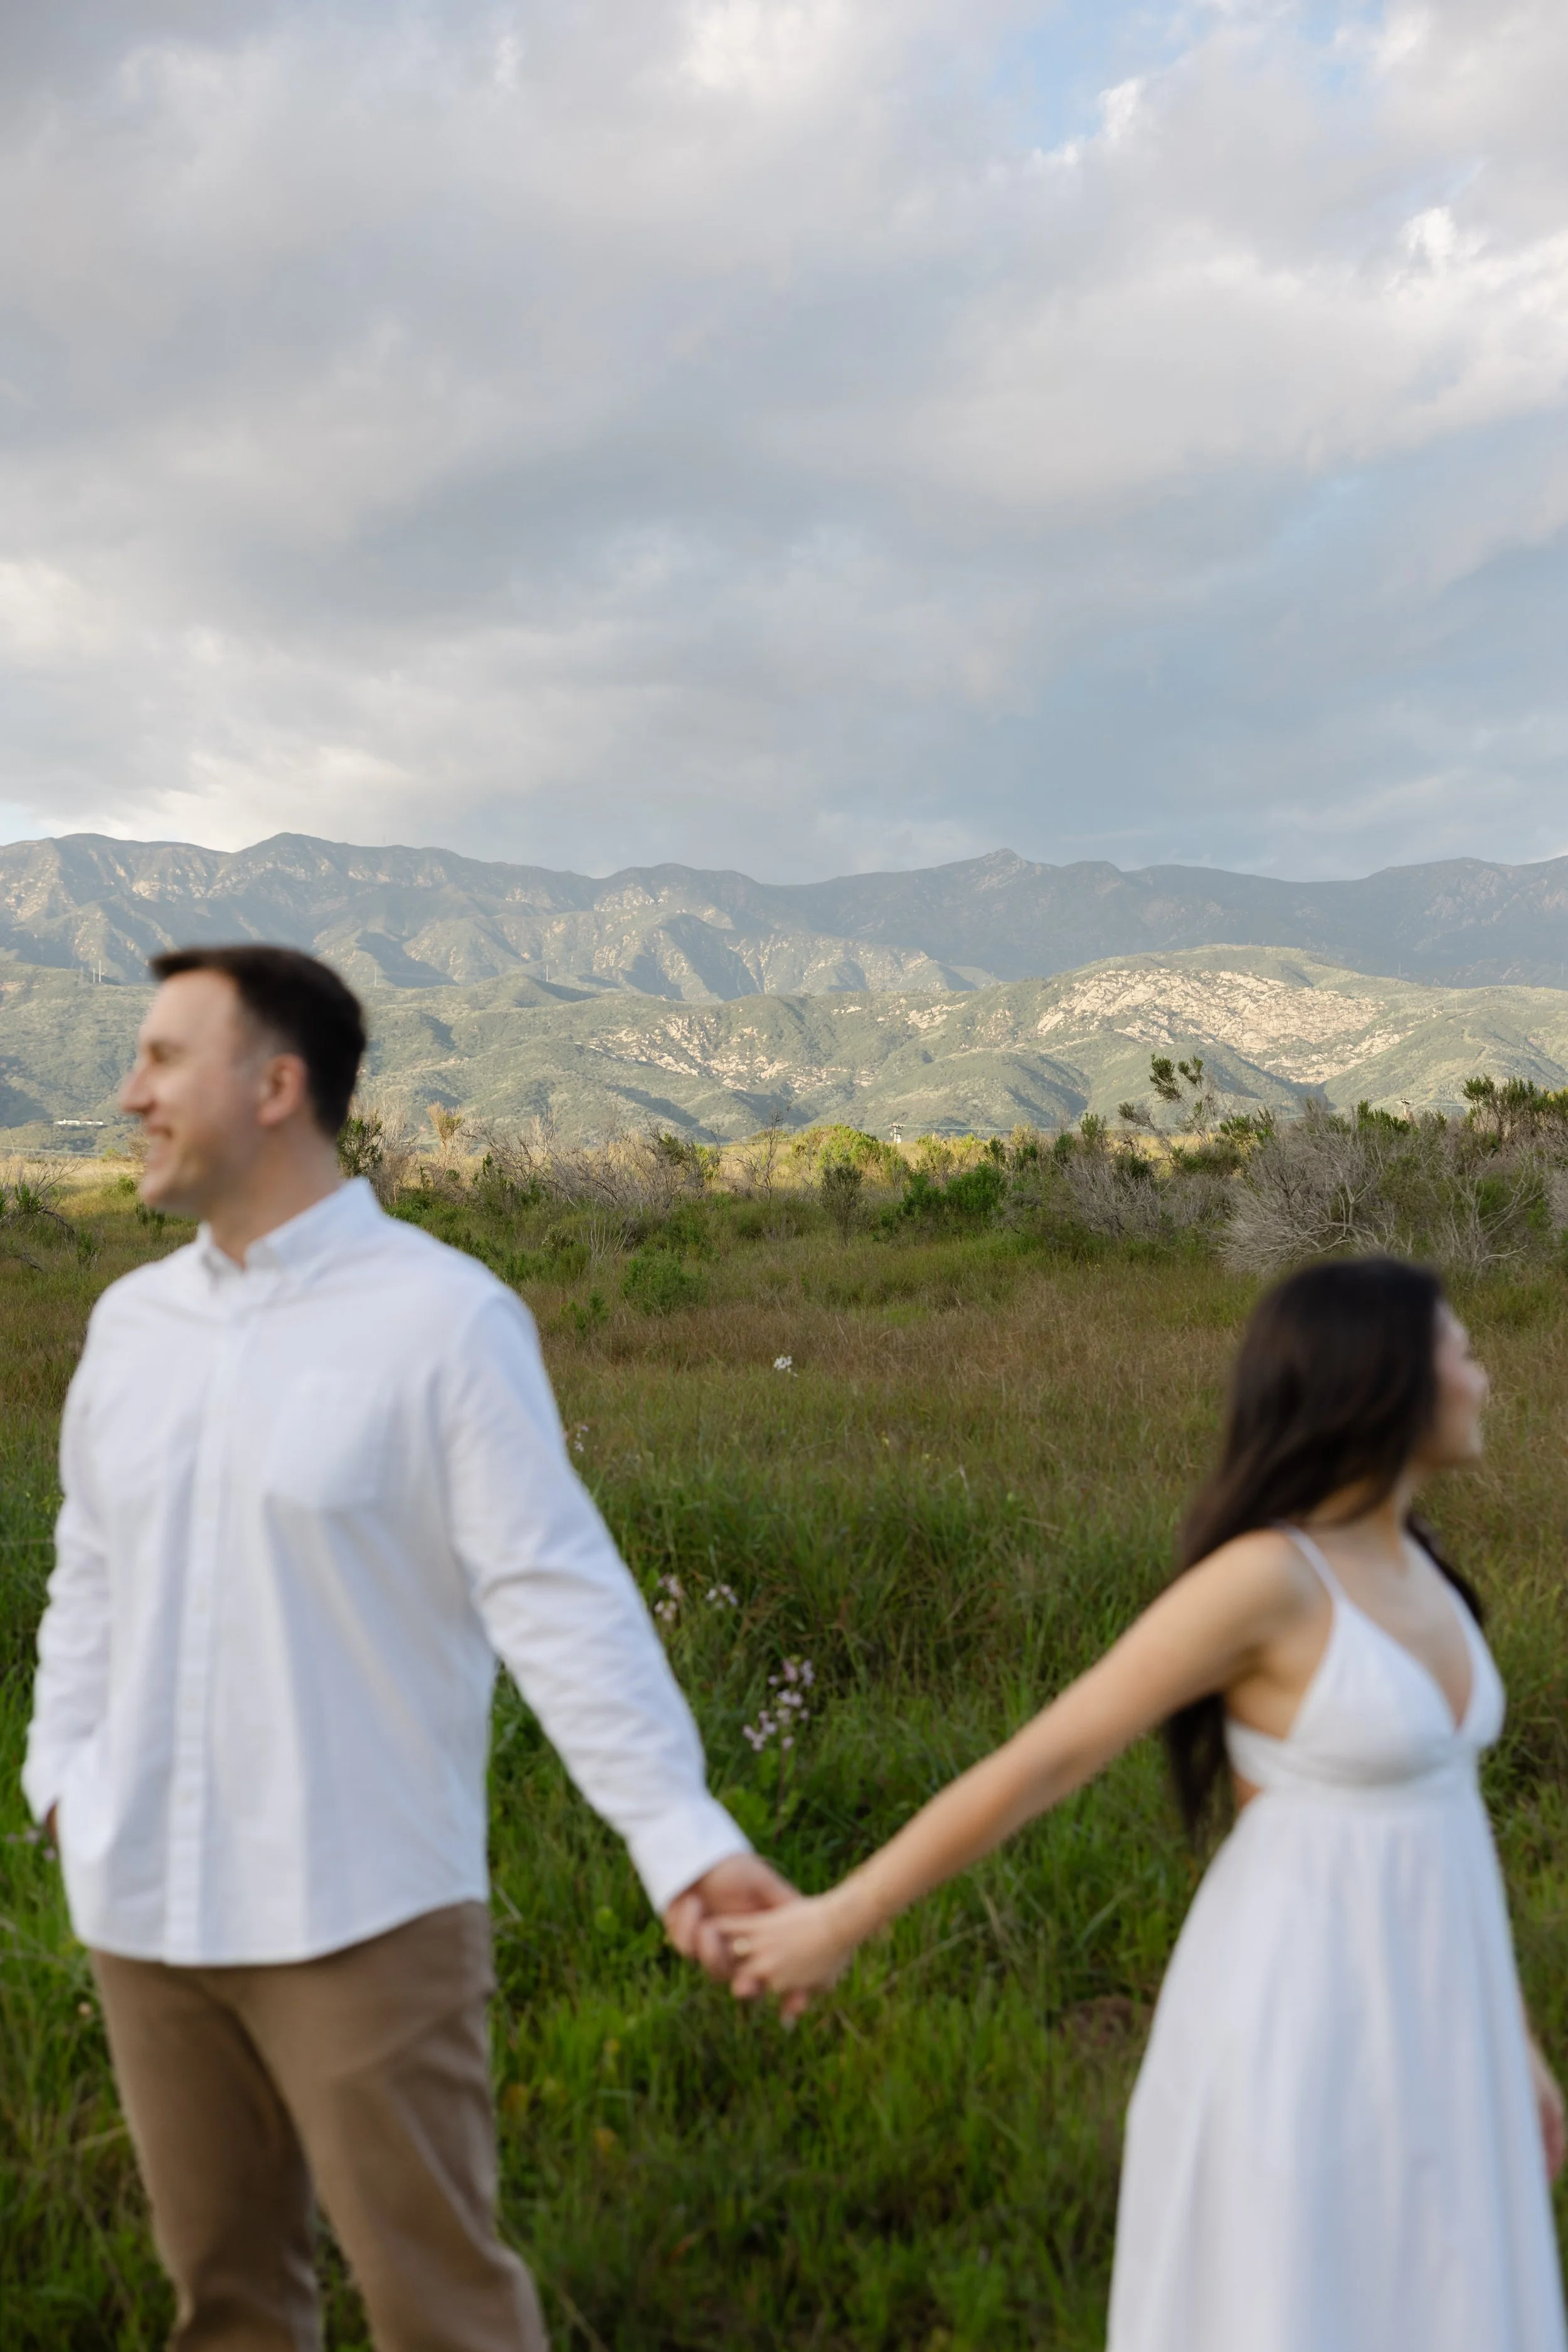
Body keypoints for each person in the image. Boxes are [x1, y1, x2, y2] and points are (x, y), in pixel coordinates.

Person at [22, 943, 793, 2352]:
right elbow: (90, 1577)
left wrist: (675, 1833)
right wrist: (60, 1778)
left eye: (162, 1059)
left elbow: (556, 1597)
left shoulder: (441, 1320)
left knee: (438, 2308)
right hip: (145, 1903)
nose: (128, 1092)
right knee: (226, 2307)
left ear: (277, 1085)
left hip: (361, 1912)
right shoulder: (129, 1328)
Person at [721, 1256, 1568, 2351]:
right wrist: (838, 1919)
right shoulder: (1270, 1579)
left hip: (1441, 2016)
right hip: (1299, 2016)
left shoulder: (1425, 1567)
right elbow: (1043, 1760)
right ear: (1386, 1377)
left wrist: (1516, 2042)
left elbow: (1441, 1819)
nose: (1485, 1377)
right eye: (1462, 1350)